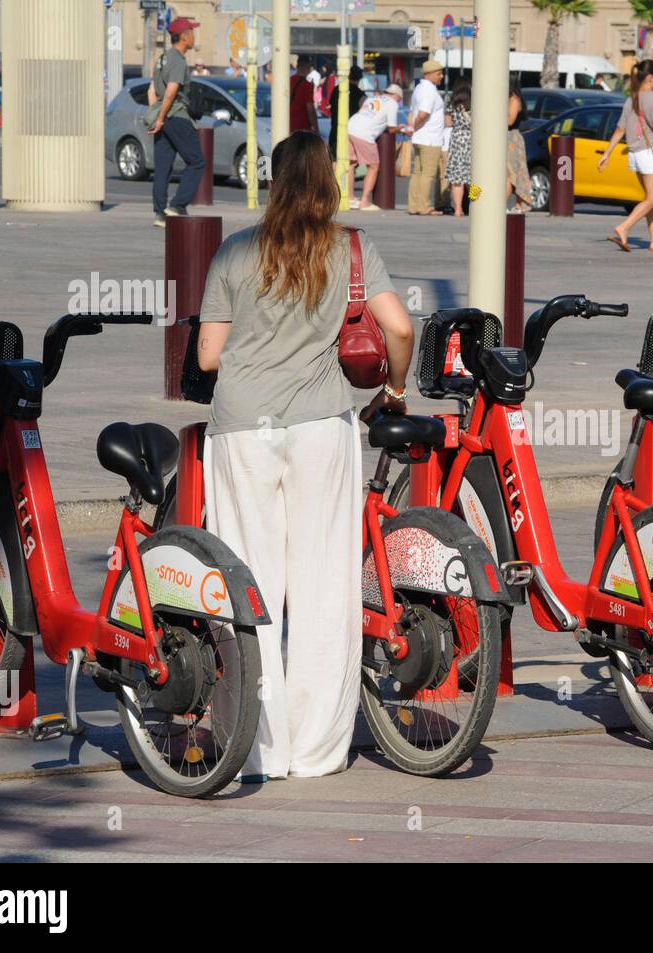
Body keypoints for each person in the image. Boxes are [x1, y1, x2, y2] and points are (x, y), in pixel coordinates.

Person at [195, 130, 414, 783]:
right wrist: (395, 387)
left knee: (247, 581)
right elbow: (400, 327)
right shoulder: (353, 248)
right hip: (322, 424)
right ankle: (317, 750)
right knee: (325, 588)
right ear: (330, 181)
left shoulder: (235, 252)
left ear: (272, 180)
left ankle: (258, 745)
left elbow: (208, 356)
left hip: (241, 427)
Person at [598, 60, 653, 252]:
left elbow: (619, 130)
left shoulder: (630, 99)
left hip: (635, 154)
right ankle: (624, 227)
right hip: (650, 153)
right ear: (650, 77)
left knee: (650, 198)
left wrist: (607, 153)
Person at [149, 17, 207, 228]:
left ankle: (159, 214)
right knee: (197, 161)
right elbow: (173, 89)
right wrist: (163, 118)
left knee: (163, 167)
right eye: (192, 32)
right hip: (176, 116)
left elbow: (152, 90)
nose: (193, 36)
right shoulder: (177, 60)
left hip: (163, 117)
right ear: (184, 37)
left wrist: (156, 117)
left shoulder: (162, 58)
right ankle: (177, 205)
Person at [345, 83, 403, 211]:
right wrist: (402, 128)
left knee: (351, 164)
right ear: (397, 96)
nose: (399, 102)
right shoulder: (392, 103)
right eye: (400, 99)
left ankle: (350, 198)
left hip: (350, 127)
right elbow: (392, 128)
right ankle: (365, 201)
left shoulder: (372, 98)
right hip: (364, 134)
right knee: (373, 166)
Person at [406, 59, 446, 215]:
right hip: (430, 138)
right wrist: (415, 126)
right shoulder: (429, 91)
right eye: (439, 73)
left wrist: (412, 128)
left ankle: (413, 205)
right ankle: (424, 206)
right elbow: (423, 114)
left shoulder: (418, 88)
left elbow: (412, 112)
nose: (441, 76)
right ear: (429, 74)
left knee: (418, 172)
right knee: (428, 174)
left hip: (419, 137)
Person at [445, 80, 472, 217]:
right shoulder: (474, 103)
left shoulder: (452, 103)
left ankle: (458, 209)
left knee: (457, 179)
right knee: (473, 178)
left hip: (456, 141)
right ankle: (476, 205)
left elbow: (448, 123)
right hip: (471, 141)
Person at [506, 90, 533, 213]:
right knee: (510, 175)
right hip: (504, 138)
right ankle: (518, 204)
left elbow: (510, 121)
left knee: (511, 174)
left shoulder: (514, 99)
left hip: (511, 139)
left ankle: (518, 204)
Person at [290, 55, 319, 134]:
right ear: (308, 66)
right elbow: (310, 110)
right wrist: (316, 130)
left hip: (288, 126)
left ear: (297, 66)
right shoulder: (307, 85)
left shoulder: (288, 81)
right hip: (302, 129)